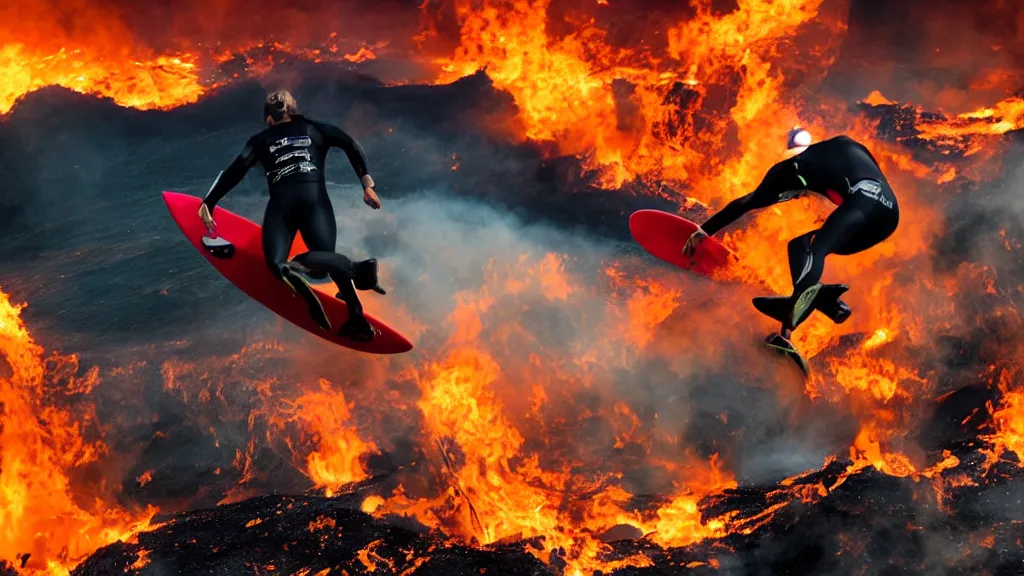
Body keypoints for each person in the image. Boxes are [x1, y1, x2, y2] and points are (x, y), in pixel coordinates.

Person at [682, 128, 900, 346]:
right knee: (798, 246)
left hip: (866, 203)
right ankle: (826, 305)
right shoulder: (839, 150)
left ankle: (792, 326)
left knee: (817, 248)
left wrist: (703, 231)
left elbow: (746, 203)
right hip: (886, 220)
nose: (794, 197)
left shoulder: (790, 169)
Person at [198, 89, 384, 342]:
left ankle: (352, 269)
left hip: (282, 208)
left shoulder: (260, 140)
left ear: (268, 118)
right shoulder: (315, 129)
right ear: (292, 110)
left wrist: (209, 202)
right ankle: (357, 314)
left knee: (278, 265)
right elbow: (351, 144)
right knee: (326, 263)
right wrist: (367, 186)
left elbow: (234, 171)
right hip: (315, 203)